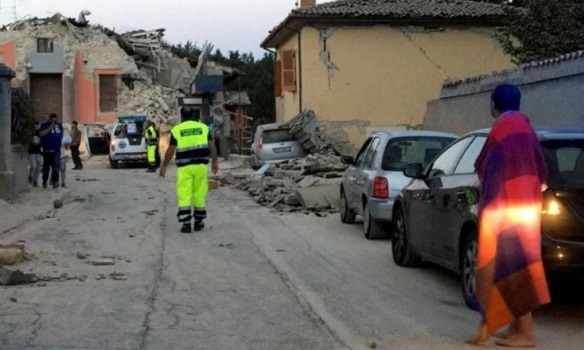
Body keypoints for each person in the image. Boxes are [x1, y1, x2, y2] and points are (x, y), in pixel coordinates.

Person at [467, 84, 550, 347]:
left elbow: (487, 166)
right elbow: (540, 169)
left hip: (508, 207)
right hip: (528, 207)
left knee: (512, 266)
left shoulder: (502, 129)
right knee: (519, 263)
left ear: (494, 104)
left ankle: (526, 334)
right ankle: (515, 328)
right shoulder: (527, 128)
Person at [159, 106, 219, 233]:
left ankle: (186, 223)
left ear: (181, 116)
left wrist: (164, 166)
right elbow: (212, 145)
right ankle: (199, 222)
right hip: (200, 167)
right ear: (194, 115)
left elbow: (171, 149)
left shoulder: (176, 130)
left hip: (184, 168)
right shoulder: (204, 128)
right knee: (199, 193)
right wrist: (215, 162)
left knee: (184, 194)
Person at [39, 113, 64, 189]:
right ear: (49, 119)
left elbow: (61, 135)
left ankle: (55, 182)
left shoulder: (59, 126)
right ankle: (44, 182)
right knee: (46, 168)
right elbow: (41, 134)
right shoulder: (44, 125)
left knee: (55, 168)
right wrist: (50, 128)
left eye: (55, 120)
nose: (54, 121)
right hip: (46, 151)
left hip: (56, 151)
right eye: (52, 120)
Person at [27, 121, 43, 187]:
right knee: (33, 165)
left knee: (39, 166)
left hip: (38, 152)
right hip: (31, 152)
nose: (37, 127)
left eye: (38, 125)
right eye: (36, 126)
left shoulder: (40, 133)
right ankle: (30, 176)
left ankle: (35, 181)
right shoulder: (30, 133)